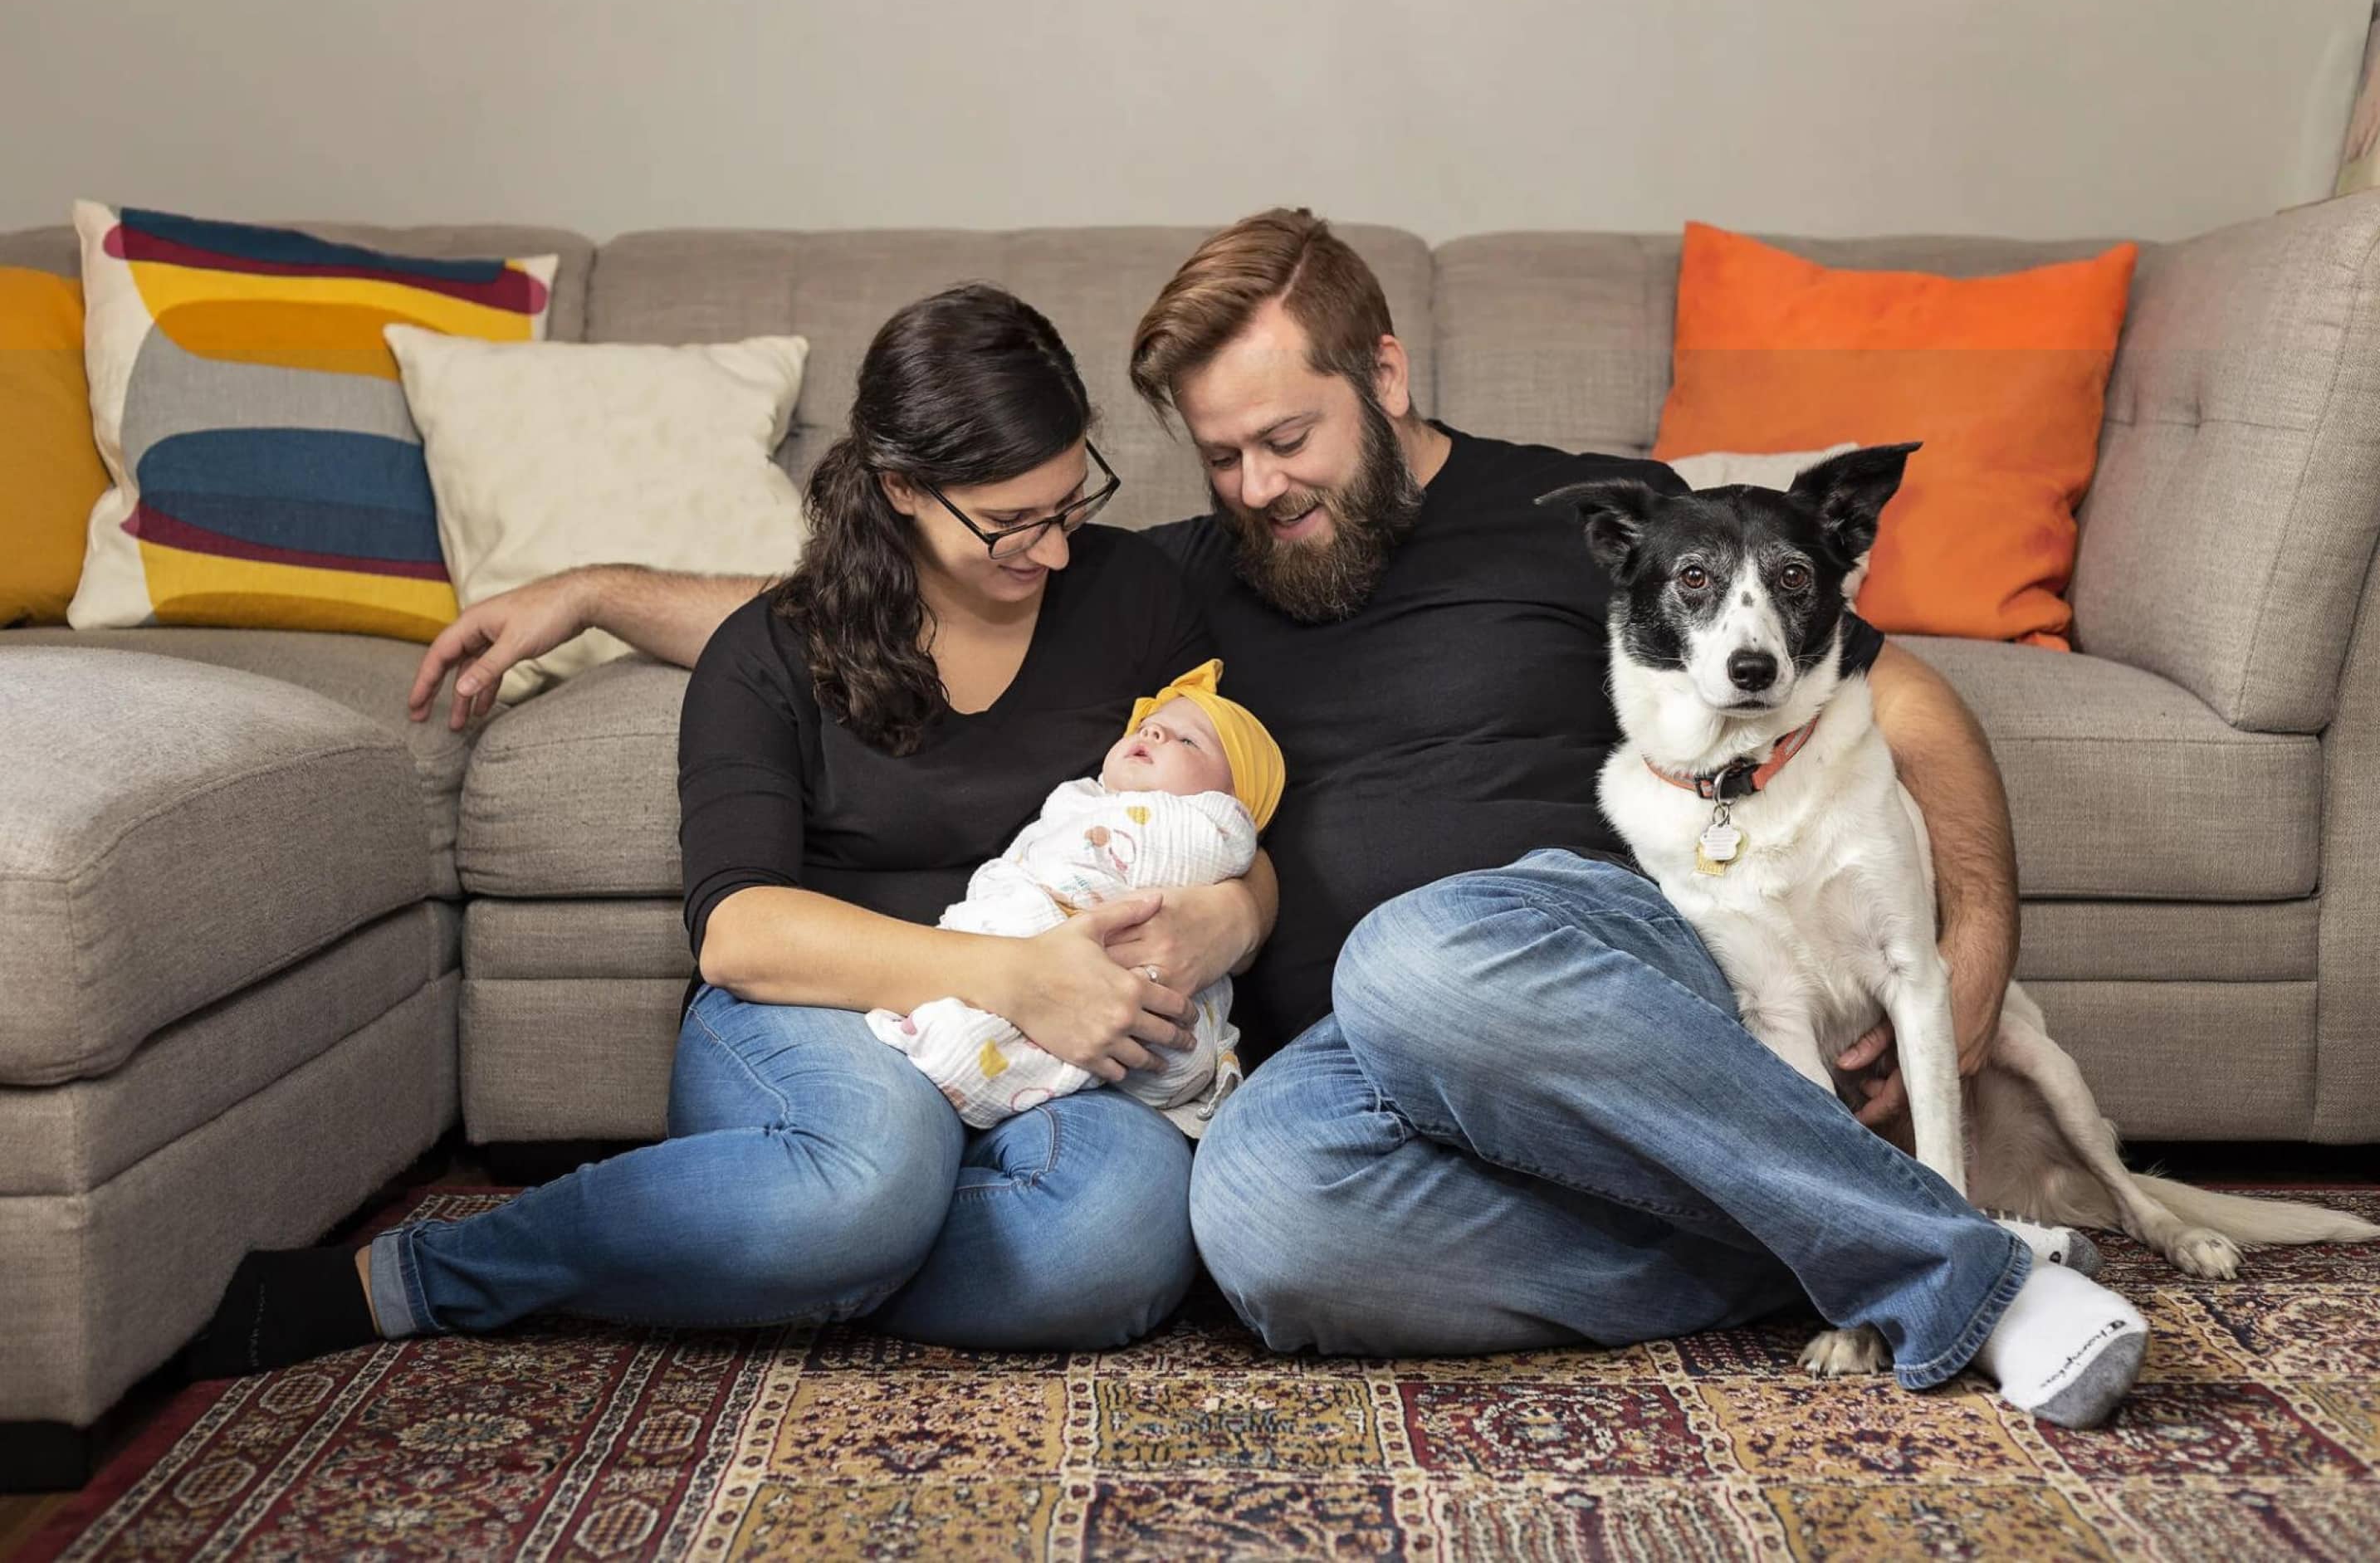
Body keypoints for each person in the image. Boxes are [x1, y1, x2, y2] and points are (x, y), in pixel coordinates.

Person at [398, 212, 2148, 1427]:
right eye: (1216, 455)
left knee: (1405, 952)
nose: (1255, 490)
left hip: (1570, 959)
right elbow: (886, 607)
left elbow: (1894, 696)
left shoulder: (1589, 520)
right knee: (1255, 1226)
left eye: (1284, 438)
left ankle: (1959, 1274)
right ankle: (1810, 1235)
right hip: (1349, 1066)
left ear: (1380, 374)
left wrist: (1969, 945)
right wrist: (592, 589)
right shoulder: (1170, 577)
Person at [187, 283, 1277, 1376]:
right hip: (822, 1013)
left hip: (1060, 1042)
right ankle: (430, 1273)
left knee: (1119, 1236)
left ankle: (791, 1250)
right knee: (868, 1174)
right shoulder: (770, 651)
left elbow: (1226, 823)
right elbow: (740, 932)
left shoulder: (1131, 595)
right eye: (1008, 522)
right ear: (900, 485)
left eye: (1068, 503)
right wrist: (1013, 975)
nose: (1047, 550)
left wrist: (1227, 916)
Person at [870, 658, 1285, 1132]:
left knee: (962, 1050)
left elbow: (1119, 855)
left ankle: (960, 1064)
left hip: (1113, 988)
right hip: (1006, 954)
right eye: (1149, 727)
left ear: (1235, 797)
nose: (1152, 736)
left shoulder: (1205, 826)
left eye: (1188, 741)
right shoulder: (1080, 799)